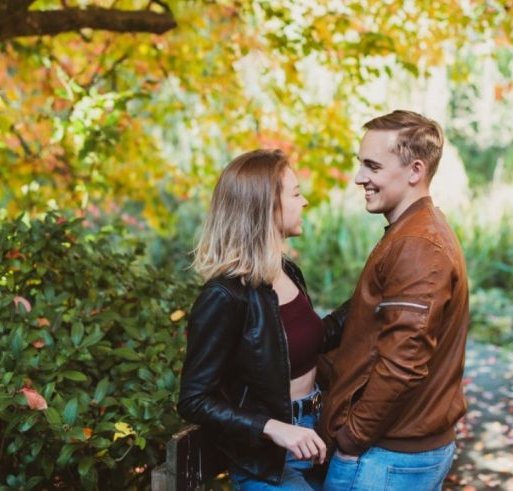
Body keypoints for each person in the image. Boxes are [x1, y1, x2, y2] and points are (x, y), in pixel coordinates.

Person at [317, 111, 470, 491]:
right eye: (360, 165)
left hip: (385, 458)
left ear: (415, 170)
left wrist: (353, 439)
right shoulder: (413, 231)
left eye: (372, 166)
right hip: (393, 455)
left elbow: (404, 361)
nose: (359, 178)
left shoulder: (417, 244)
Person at [178, 149, 346, 490]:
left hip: (316, 434)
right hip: (269, 459)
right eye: (296, 194)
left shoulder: (286, 272)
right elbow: (194, 399)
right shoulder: (224, 296)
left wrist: (375, 292)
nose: (306, 202)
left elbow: (309, 341)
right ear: (266, 207)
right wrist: (274, 427)